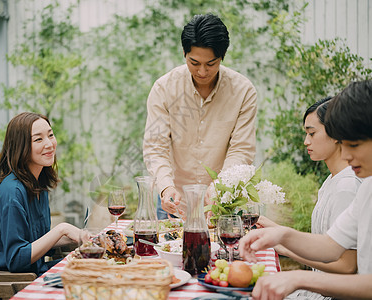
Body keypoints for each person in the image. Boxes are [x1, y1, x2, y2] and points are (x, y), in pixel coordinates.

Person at [239, 80, 372, 300]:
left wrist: (299, 277)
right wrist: (281, 234)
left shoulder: (349, 186)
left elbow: (349, 267)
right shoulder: (366, 185)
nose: (346, 155)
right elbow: (331, 245)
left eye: (353, 145)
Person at [143, 13, 257, 219]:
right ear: (184, 54)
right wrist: (166, 187)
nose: (202, 71)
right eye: (194, 63)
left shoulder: (243, 91)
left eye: (211, 63)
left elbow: (241, 150)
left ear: (222, 57)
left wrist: (220, 187)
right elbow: (155, 147)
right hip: (174, 202)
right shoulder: (165, 88)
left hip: (223, 204)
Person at [0, 112, 84, 276]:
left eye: (50, 135)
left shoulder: (38, 183)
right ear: (21, 147)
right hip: (3, 282)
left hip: (31, 272)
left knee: (92, 266)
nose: (49, 144)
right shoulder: (13, 192)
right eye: (38, 139)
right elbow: (16, 259)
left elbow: (37, 242)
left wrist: (80, 236)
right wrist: (61, 229)